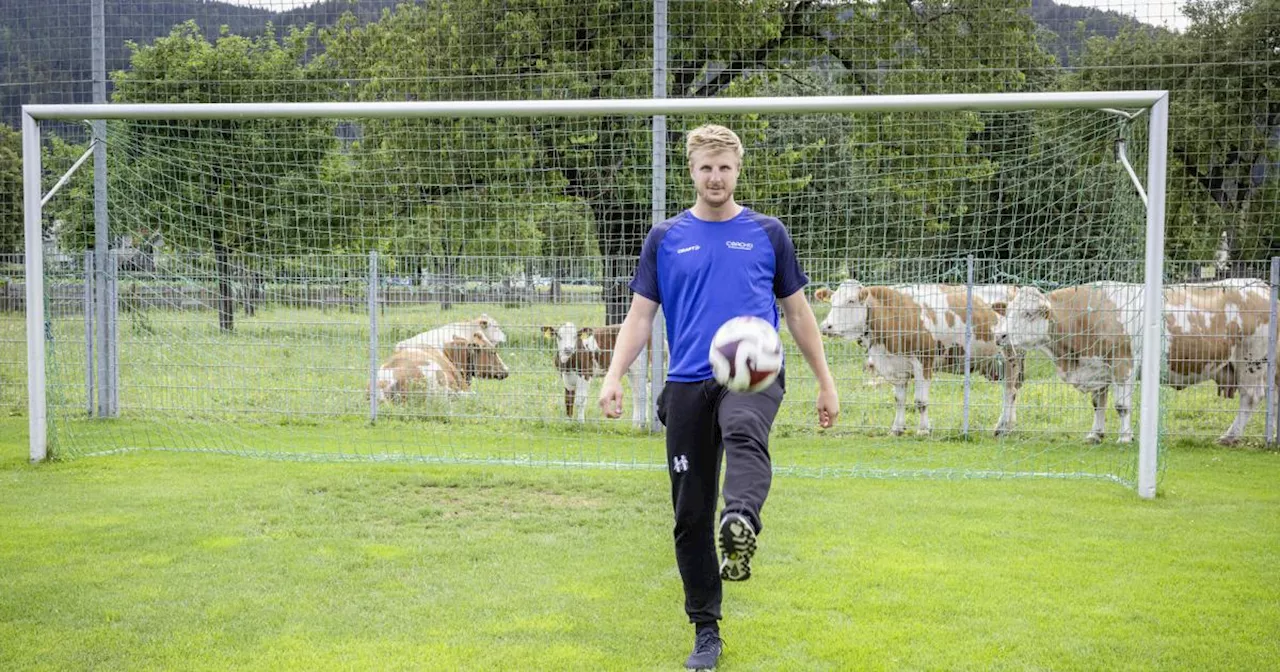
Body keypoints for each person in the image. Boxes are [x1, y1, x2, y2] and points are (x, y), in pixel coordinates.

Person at [597, 124, 840, 671]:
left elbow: (799, 314)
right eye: (706, 167)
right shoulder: (665, 238)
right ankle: (706, 631)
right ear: (691, 170)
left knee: (743, 428)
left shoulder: (767, 233)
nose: (716, 177)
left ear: (738, 169)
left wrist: (827, 382)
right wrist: (614, 376)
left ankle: (742, 522)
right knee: (688, 515)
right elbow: (640, 316)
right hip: (686, 381)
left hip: (753, 371)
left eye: (725, 167)